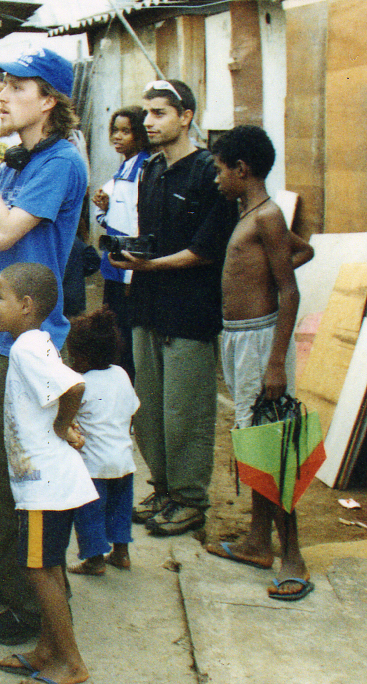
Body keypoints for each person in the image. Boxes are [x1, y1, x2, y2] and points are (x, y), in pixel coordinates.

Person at [0, 46, 88, 645]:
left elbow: (4, 231)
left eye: (16, 87)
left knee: (20, 477)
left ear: (49, 100)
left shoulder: (60, 162)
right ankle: (11, 578)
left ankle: (33, 609)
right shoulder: (17, 160)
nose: (1, 97)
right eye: (0, 86)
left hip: (30, 348)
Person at [110, 80, 236, 537]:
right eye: (146, 112)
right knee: (149, 410)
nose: (148, 122)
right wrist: (134, 259)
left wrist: (148, 265)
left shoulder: (208, 172)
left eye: (159, 113)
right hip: (148, 306)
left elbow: (206, 250)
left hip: (189, 312)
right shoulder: (152, 169)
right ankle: (162, 489)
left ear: (186, 117)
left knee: (186, 412)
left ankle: (189, 499)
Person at [204, 125, 316, 601]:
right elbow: (302, 249)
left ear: (241, 169)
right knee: (253, 440)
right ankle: (256, 541)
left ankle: (293, 557)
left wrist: (275, 364)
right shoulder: (252, 214)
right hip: (240, 339)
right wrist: (275, 266)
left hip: (261, 340)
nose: (216, 179)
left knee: (273, 444)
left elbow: (289, 291)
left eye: (219, 170)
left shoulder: (266, 216)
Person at [0, 262, 93, 684]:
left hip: (44, 488)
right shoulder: (37, 341)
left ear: (27, 305)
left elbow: (74, 387)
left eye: (0, 297)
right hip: (54, 483)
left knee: (39, 571)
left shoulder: (25, 349)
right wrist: (62, 422)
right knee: (50, 567)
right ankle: (48, 650)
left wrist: (63, 425)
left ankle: (71, 662)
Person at [60, 309, 140, 577]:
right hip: (123, 461)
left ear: (82, 357)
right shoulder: (121, 374)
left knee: (89, 513)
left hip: (93, 466)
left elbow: (67, 417)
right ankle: (121, 553)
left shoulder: (80, 383)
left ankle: (94, 560)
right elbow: (133, 408)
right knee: (120, 508)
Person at [93, 107, 150, 378]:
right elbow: (113, 218)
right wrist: (105, 208)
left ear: (140, 134)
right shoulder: (125, 167)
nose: (118, 137)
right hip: (115, 266)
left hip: (127, 269)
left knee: (125, 337)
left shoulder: (142, 169)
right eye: (115, 130)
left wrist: (130, 275)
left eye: (126, 131)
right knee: (114, 331)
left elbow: (136, 224)